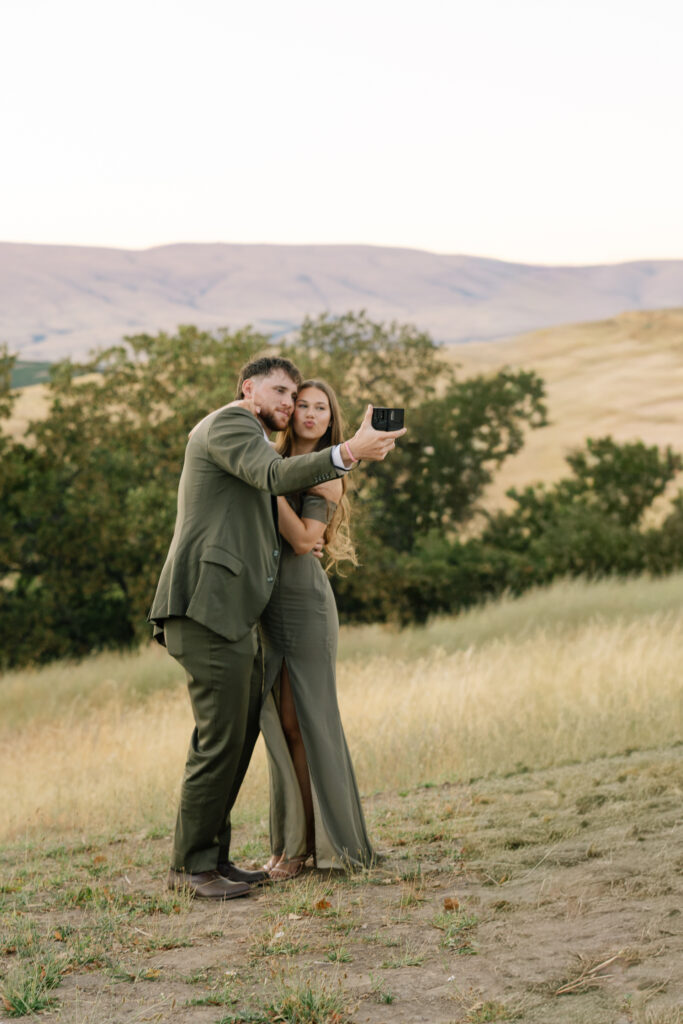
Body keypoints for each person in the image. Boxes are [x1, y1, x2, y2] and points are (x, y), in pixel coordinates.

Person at [148, 355, 406, 900]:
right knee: (220, 740)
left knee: (237, 736)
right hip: (204, 606)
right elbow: (271, 478)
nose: (290, 404)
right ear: (248, 388)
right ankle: (191, 868)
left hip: (234, 611)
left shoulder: (257, 441)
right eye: (283, 392)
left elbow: (286, 517)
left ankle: (213, 860)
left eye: (299, 397)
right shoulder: (231, 423)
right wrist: (350, 452)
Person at [259, 379, 374, 878]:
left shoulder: (328, 474)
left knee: (305, 725)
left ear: (332, 420)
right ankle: (290, 842)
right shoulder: (272, 461)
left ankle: (311, 850)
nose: (307, 413)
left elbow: (306, 539)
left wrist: (264, 487)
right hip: (266, 604)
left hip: (304, 604)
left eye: (319, 408)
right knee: (281, 728)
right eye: (299, 404)